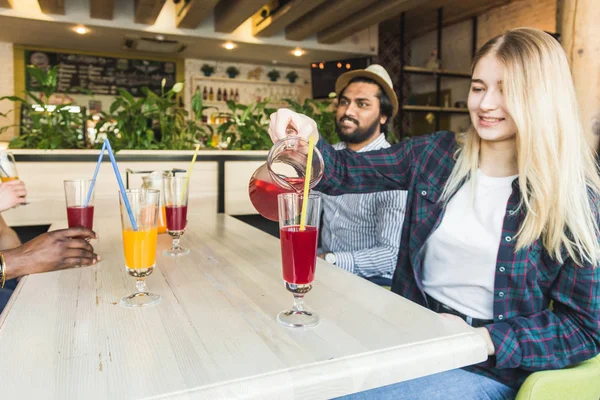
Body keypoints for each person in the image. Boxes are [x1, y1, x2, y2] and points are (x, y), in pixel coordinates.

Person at [268, 28, 600, 399]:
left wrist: (482, 339)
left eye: (507, 89)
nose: (486, 104)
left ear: (542, 97)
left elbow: (584, 328)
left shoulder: (572, 198)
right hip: (409, 338)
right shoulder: (437, 155)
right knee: (293, 376)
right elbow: (343, 171)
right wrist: (303, 138)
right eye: (478, 87)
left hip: (487, 368)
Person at [317, 64, 407, 287]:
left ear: (383, 116)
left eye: (362, 104)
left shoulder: (394, 170)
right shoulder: (328, 156)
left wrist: (331, 260)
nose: (348, 111)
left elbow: (391, 255)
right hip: (326, 275)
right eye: (344, 102)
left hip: (373, 284)